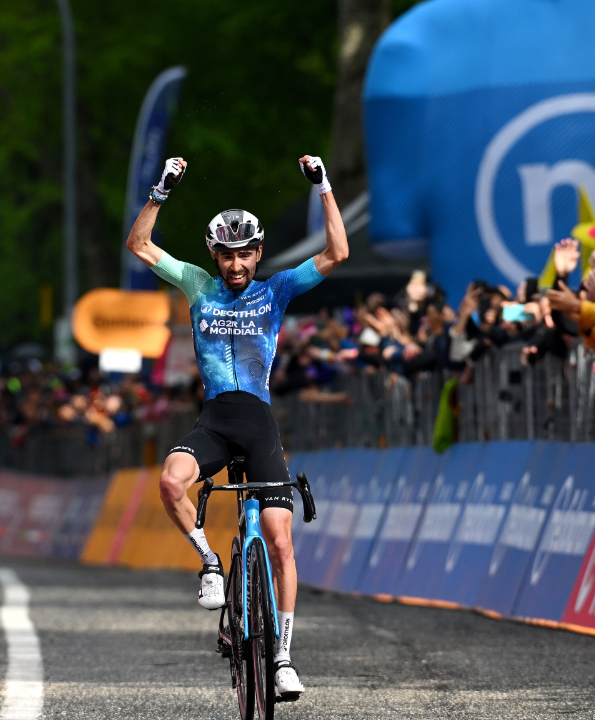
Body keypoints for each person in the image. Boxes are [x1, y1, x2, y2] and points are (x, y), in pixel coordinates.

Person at [125, 154, 348, 699]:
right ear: (214, 255)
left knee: (279, 541)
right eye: (227, 254)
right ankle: (209, 563)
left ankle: (285, 660)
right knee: (171, 482)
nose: (236, 263)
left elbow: (337, 252)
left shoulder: (276, 290)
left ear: (258, 253)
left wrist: (322, 185)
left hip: (259, 424)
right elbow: (139, 246)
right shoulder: (198, 284)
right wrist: (161, 191)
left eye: (246, 253)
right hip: (215, 422)